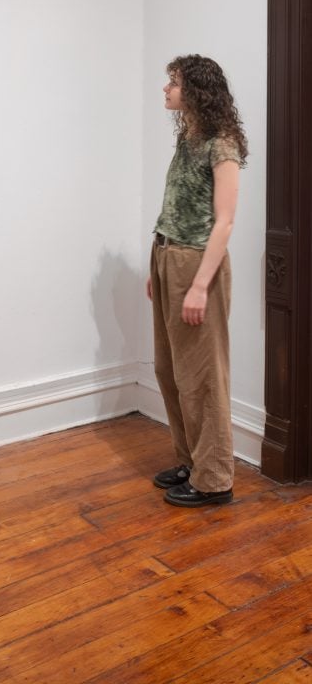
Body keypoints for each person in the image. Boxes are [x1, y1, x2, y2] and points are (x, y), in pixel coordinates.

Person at [147, 55, 248, 508]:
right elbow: (177, 202)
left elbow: (224, 223)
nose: (165, 89)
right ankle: (191, 460)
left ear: (196, 90)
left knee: (203, 375)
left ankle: (214, 480)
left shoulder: (222, 143)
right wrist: (158, 267)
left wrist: (200, 285)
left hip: (196, 263)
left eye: (173, 82)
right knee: (170, 369)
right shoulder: (188, 137)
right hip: (167, 255)